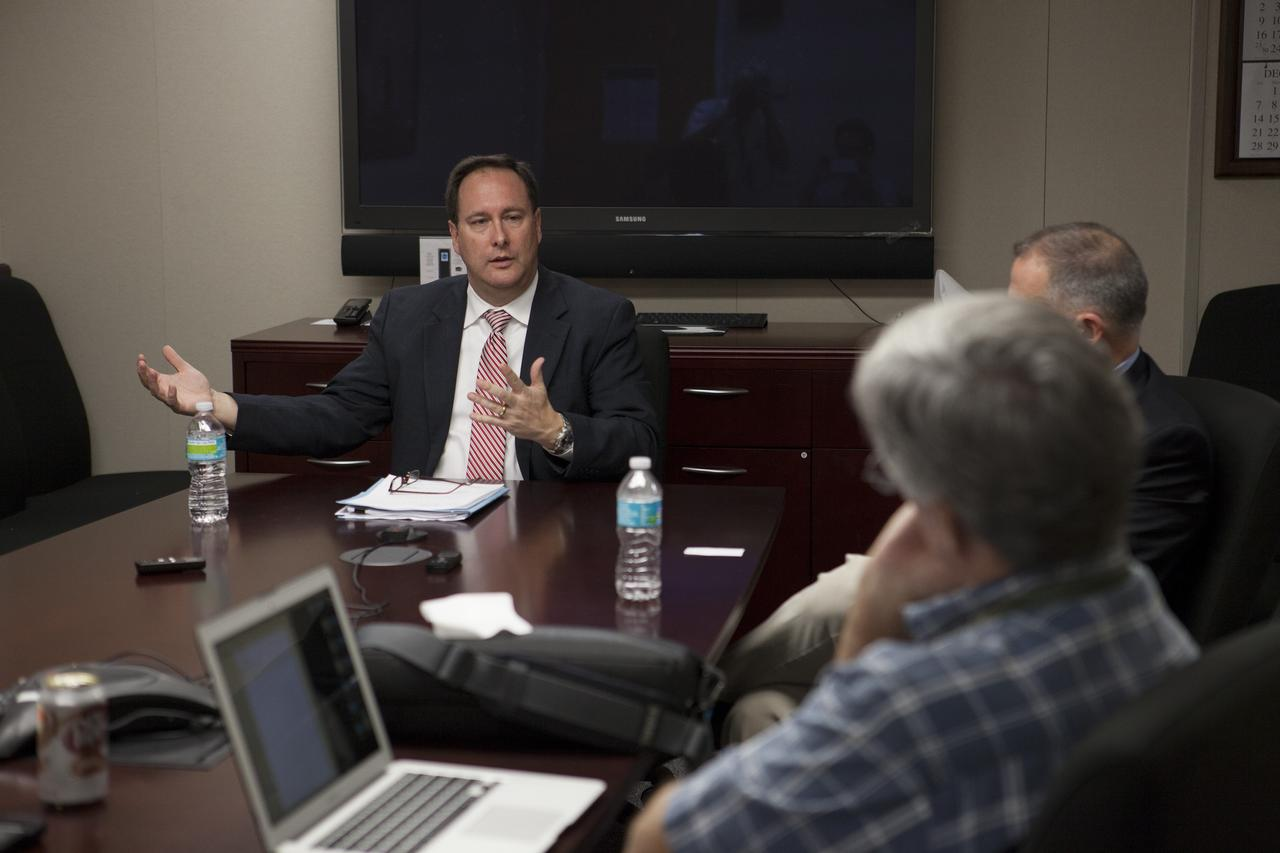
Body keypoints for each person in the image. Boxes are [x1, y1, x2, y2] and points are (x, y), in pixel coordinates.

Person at [624, 295, 1200, 853]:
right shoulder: (1139, 605)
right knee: (761, 709)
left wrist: (870, 621)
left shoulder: (920, 704)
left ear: (944, 515)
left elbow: (661, 837)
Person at [716, 221, 1213, 742]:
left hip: (1028, 656)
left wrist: (927, 587)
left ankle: (671, 702)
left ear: (1087, 331)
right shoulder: (1038, 395)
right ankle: (683, 717)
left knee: (844, 594)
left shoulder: (1160, 440)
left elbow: (1089, 595)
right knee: (758, 710)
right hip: (967, 602)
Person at [137, 154, 659, 481]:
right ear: (456, 238)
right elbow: (338, 417)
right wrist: (217, 404)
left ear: (537, 227)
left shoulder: (598, 317)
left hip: (545, 532)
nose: (498, 237)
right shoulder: (409, 314)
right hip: (427, 529)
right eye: (479, 222)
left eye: (513, 218)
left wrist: (554, 430)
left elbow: (640, 442)